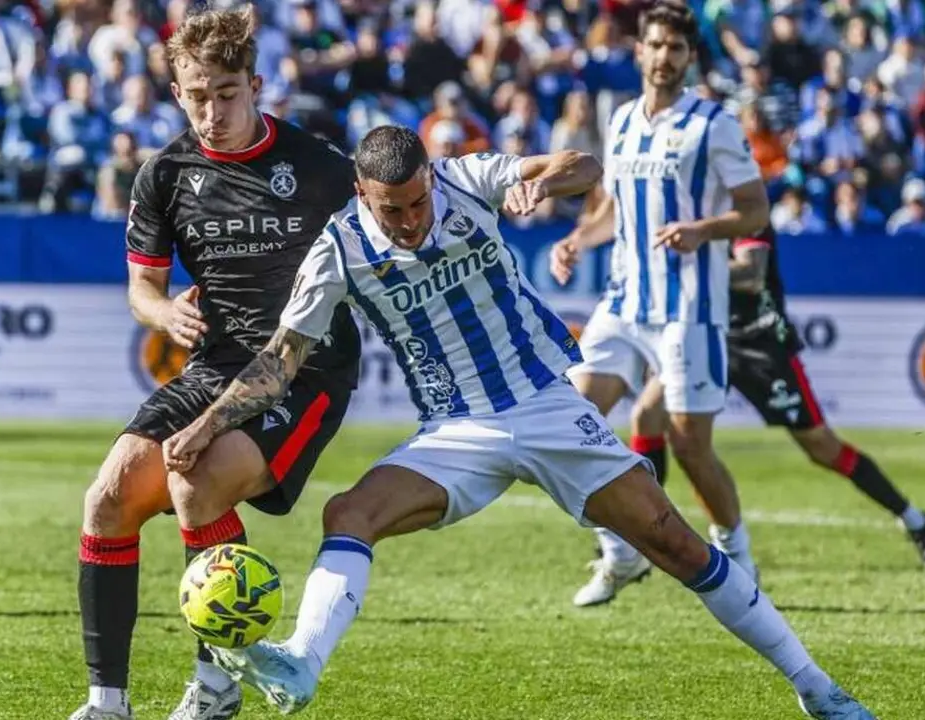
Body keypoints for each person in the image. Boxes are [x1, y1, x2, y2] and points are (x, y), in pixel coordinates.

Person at [164, 125, 876, 720]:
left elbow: (584, 165)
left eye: (417, 203)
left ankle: (819, 691)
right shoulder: (339, 249)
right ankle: (301, 665)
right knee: (349, 512)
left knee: (677, 545)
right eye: (393, 211)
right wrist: (207, 424)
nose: (410, 221)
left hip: (546, 403)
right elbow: (281, 358)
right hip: (454, 431)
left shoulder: (466, 178)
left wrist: (548, 180)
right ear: (361, 195)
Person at [69, 8, 361, 720]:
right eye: (197, 95)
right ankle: (107, 704)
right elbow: (141, 287)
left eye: (226, 93)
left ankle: (218, 689)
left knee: (194, 481)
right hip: (214, 365)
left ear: (257, 85)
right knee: (107, 500)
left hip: (307, 367)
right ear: (176, 93)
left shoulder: (318, 167)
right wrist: (163, 310)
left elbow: (396, 230)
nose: (213, 110)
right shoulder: (164, 174)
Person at [570, 227, 925, 597]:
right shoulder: (689, 203)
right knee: (647, 416)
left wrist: (692, 262)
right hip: (704, 335)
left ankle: (915, 519)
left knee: (822, 448)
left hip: (759, 344)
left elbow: (751, 275)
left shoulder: (742, 209)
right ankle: (638, 535)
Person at [549, 1, 770, 607]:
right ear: (639, 50)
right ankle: (620, 552)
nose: (664, 57)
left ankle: (738, 553)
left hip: (688, 307)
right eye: (655, 46)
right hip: (624, 299)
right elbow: (614, 207)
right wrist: (575, 238)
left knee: (690, 445)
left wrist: (704, 228)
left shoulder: (713, 123)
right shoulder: (620, 120)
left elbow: (755, 209)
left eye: (675, 48)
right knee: (565, 418)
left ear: (689, 57)